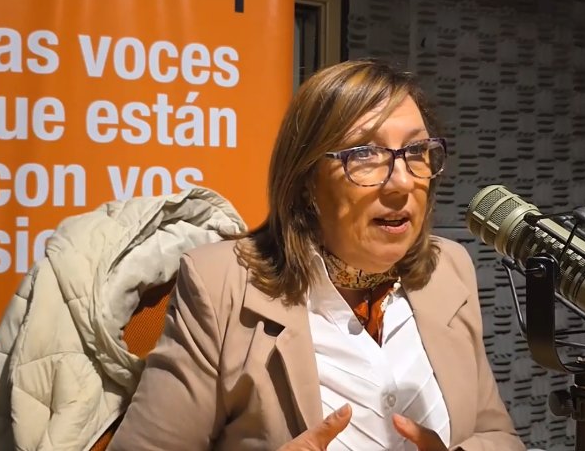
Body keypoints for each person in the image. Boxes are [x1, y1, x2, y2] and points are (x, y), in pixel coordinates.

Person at [108, 59, 526, 450]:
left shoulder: (448, 268)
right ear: (307, 180)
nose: (402, 182)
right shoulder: (220, 286)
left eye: (416, 151)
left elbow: (498, 435)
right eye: (364, 154)